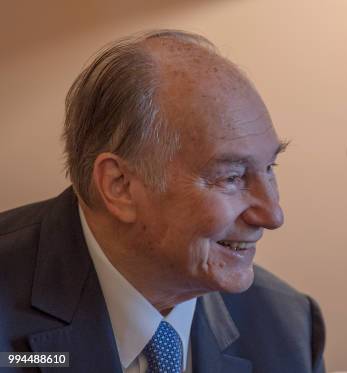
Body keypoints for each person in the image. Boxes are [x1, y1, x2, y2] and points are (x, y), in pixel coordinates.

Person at [0, 30, 325, 373]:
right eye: (232, 178)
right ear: (119, 185)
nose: (273, 214)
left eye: (270, 168)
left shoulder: (288, 328)